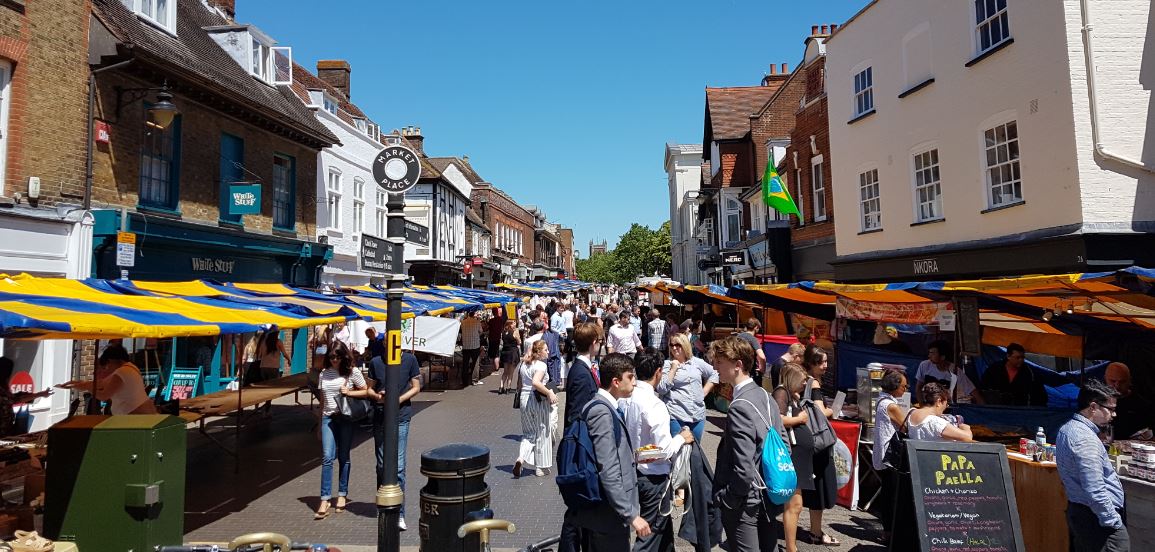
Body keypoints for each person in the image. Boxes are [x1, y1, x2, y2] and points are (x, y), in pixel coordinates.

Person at [566, 353, 651, 551]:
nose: (635, 382)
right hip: (609, 516)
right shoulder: (601, 411)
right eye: (630, 377)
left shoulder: (605, 407)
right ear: (615, 381)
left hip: (608, 514)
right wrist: (630, 514)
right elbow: (608, 468)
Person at [711, 335, 786, 552]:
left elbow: (743, 468)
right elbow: (784, 447)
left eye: (720, 362)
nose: (715, 367)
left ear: (738, 365)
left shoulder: (740, 406)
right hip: (767, 494)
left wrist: (728, 498)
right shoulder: (765, 395)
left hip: (746, 500)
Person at [622, 350, 694, 552]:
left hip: (633, 472)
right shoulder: (655, 404)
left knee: (662, 534)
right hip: (653, 477)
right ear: (659, 372)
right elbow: (663, 449)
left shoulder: (626, 398)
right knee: (649, 536)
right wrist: (681, 438)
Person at [1056, 379, 1130, 552]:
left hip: (1085, 514)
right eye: (1110, 409)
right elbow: (1095, 488)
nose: (1114, 414)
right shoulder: (1084, 439)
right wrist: (1113, 522)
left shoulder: (1068, 429)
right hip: (1096, 520)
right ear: (1093, 407)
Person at [558, 322, 604, 552]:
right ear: (594, 343)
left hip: (579, 442)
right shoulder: (581, 374)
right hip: (579, 446)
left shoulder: (583, 368)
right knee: (577, 510)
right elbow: (577, 414)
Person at [313, 341, 369, 519]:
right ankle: (325, 498)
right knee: (327, 457)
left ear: (343, 356)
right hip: (328, 417)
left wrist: (349, 392)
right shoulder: (324, 373)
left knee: (344, 456)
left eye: (337, 357)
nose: (334, 360)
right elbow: (322, 399)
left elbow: (366, 391)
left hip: (344, 418)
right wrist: (319, 424)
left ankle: (342, 494)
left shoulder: (352, 372)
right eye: (331, 357)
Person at [367, 349, 421, 530]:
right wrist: (377, 397)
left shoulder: (410, 360)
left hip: (401, 416)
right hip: (381, 417)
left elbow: (416, 386)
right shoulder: (376, 362)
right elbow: (369, 388)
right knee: (382, 466)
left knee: (398, 468)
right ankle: (382, 505)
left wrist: (397, 400)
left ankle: (399, 513)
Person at [800, 345, 840, 546]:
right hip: (818, 443)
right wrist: (833, 410)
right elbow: (821, 412)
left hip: (805, 440)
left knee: (806, 487)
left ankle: (814, 530)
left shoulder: (803, 380)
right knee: (819, 488)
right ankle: (816, 532)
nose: (825, 366)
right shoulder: (814, 384)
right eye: (822, 362)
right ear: (812, 363)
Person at [773, 363, 814, 552]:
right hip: (792, 455)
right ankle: (791, 548)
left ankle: (791, 546)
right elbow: (778, 419)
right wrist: (799, 419)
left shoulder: (792, 395)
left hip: (799, 456)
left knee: (796, 504)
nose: (805, 384)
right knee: (794, 503)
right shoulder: (782, 393)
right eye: (803, 380)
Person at [656, 333, 717, 443]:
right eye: (671, 345)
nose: (674, 348)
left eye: (677, 345)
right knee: (678, 451)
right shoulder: (666, 364)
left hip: (697, 414)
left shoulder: (696, 362)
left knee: (695, 450)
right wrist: (673, 369)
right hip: (676, 414)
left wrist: (705, 391)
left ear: (685, 345)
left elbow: (715, 373)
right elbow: (662, 389)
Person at [871, 369, 909, 545]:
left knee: (888, 492)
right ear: (894, 386)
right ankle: (890, 531)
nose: (905, 389)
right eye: (903, 386)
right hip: (890, 455)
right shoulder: (891, 405)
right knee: (892, 494)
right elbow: (906, 426)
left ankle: (887, 531)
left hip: (883, 453)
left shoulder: (882, 400)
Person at [514, 340, 557, 478]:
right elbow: (536, 383)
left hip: (524, 399)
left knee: (528, 433)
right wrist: (549, 392)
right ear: (538, 352)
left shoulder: (524, 364)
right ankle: (540, 467)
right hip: (538, 399)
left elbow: (521, 384)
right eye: (545, 349)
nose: (548, 352)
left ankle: (521, 457)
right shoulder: (541, 365)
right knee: (543, 431)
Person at [93, 343, 157, 415]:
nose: (108, 369)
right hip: (142, 415)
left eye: (107, 366)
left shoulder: (122, 371)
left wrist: (88, 388)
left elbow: (104, 395)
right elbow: (105, 383)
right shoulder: (131, 367)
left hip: (135, 418)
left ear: (111, 361)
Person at [915, 340, 982, 404]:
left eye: (932, 353)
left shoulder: (955, 371)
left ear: (942, 357)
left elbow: (973, 392)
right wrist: (922, 406)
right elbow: (918, 388)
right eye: (929, 353)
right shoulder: (924, 365)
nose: (929, 356)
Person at [980, 343, 1047, 406]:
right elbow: (984, 387)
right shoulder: (995, 369)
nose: (1021, 360)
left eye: (1022, 357)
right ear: (1008, 356)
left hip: (1020, 411)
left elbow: (1039, 395)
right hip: (997, 409)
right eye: (1017, 357)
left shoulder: (1029, 373)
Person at [907, 383, 974, 442]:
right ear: (939, 402)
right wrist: (964, 427)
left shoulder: (911, 413)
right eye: (945, 404)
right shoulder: (935, 422)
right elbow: (967, 437)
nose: (945, 408)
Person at [1103, 362, 1154, 440]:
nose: (1117, 386)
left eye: (1122, 382)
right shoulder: (1097, 402)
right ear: (1105, 379)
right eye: (1113, 381)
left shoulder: (1143, 405)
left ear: (1129, 381)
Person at [498, 319, 522, 395]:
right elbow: (519, 342)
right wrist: (518, 337)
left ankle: (501, 387)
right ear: (509, 325)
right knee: (511, 372)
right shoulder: (515, 332)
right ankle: (508, 388)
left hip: (505, 352)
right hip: (513, 353)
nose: (515, 324)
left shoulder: (503, 332)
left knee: (505, 371)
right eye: (513, 323)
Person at [459, 311, 483, 386]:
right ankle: (474, 380)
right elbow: (481, 331)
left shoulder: (463, 322)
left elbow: (460, 332)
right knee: (475, 363)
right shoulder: (477, 322)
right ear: (474, 314)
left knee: (465, 364)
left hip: (466, 345)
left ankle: (464, 381)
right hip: (475, 345)